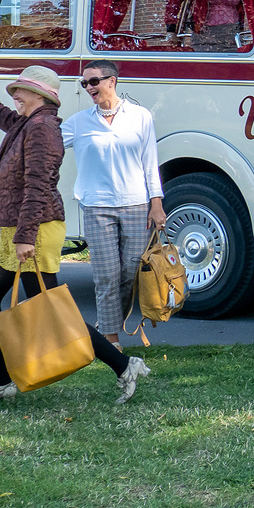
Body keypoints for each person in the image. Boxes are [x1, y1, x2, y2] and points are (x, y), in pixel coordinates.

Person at [0, 27, 149, 406]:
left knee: (52, 310)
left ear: (38, 95)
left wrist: (26, 236)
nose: (13, 97)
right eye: (13, 92)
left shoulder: (43, 128)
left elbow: (38, 186)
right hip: (19, 229)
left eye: (19, 92)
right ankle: (0, 381)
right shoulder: (24, 122)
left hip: (36, 229)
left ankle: (124, 365)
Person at [60, 59, 167, 349]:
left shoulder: (140, 116)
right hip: (96, 207)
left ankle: (107, 324)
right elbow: (48, 142)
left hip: (136, 205)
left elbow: (150, 162)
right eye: (84, 83)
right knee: (106, 275)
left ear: (112, 81)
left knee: (130, 274)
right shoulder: (79, 122)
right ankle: (110, 339)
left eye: (93, 81)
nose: (88, 87)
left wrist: (156, 203)